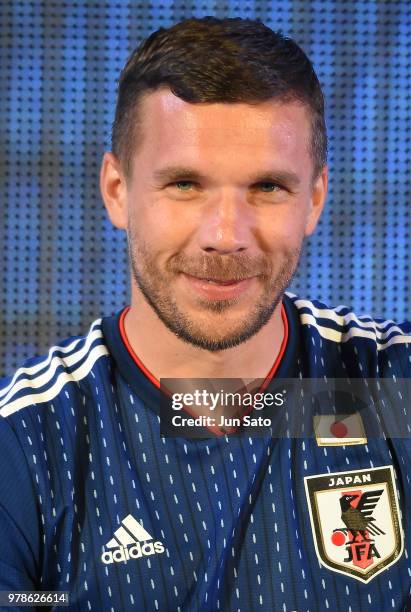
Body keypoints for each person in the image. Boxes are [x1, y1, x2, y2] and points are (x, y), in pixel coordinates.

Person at [0, 16, 410, 612]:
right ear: (117, 191)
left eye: (267, 187)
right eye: (186, 184)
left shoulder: (392, 390)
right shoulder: (25, 445)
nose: (225, 236)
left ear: (315, 200)